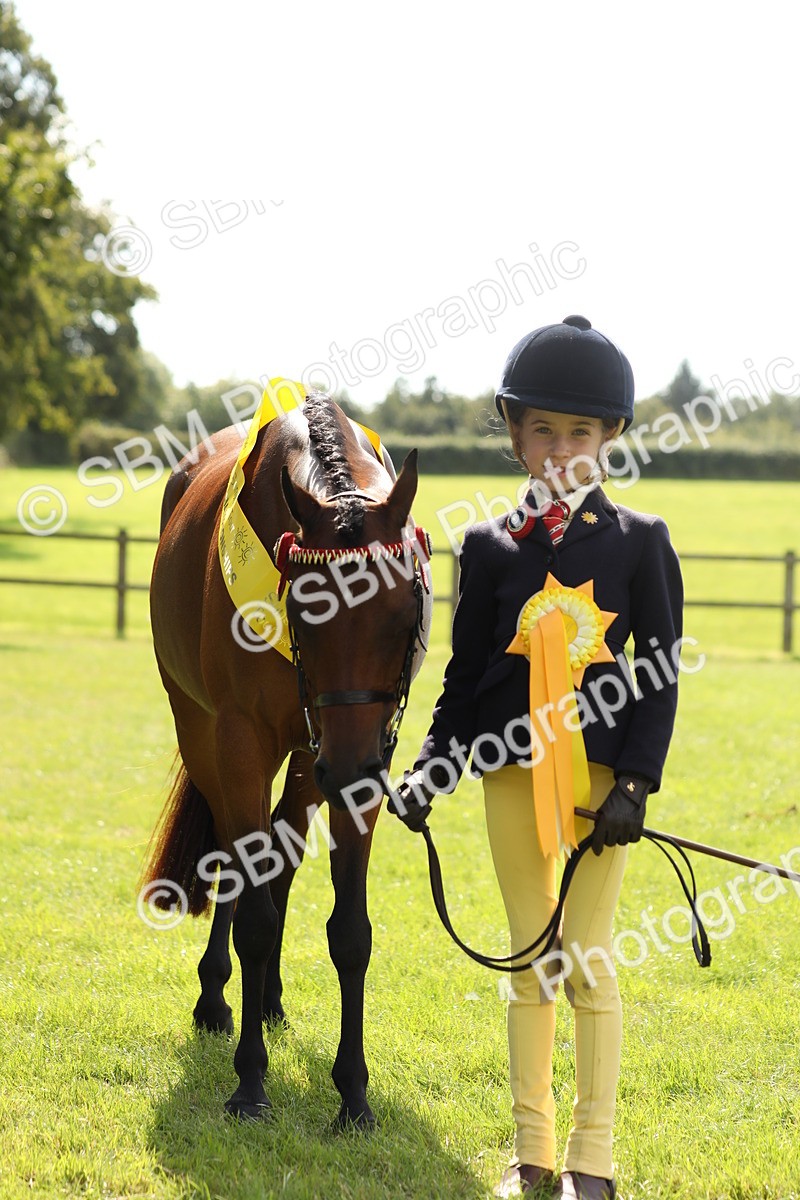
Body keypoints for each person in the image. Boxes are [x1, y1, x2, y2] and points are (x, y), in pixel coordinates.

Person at [390, 316, 683, 1200]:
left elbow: (660, 675)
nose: (563, 449)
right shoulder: (487, 547)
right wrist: (431, 769)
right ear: (516, 435)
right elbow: (467, 678)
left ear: (612, 440)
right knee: (532, 958)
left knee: (585, 959)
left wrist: (634, 783)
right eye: (544, 430)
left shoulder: (640, 541)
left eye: (582, 433)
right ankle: (534, 1155)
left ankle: (592, 1162)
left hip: (598, 787)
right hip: (512, 782)